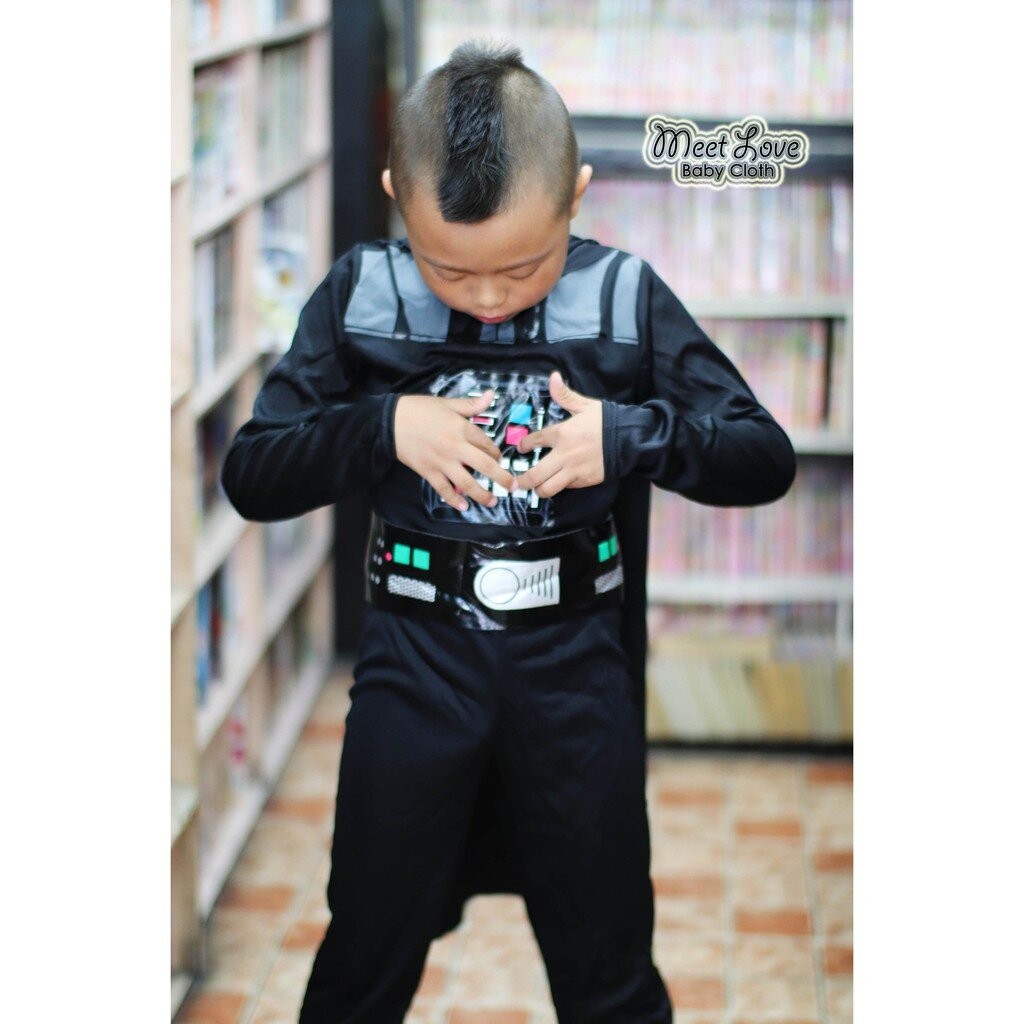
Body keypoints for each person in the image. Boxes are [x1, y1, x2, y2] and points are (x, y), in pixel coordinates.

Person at [220, 40, 795, 1024]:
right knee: (363, 955)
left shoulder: (623, 299)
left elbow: (761, 455)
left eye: (524, 267)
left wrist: (628, 436)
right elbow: (252, 472)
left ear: (576, 198)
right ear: (397, 198)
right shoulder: (361, 294)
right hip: (414, 666)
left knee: (609, 965)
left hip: (575, 676)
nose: (488, 298)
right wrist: (381, 427)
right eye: (450, 269)